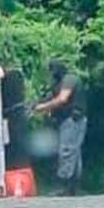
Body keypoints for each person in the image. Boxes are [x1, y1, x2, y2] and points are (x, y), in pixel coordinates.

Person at [34, 61, 87, 197]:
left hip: (73, 119)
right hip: (67, 120)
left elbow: (62, 99)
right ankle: (72, 186)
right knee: (73, 151)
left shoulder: (69, 79)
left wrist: (43, 107)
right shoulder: (59, 83)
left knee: (67, 150)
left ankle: (65, 184)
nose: (50, 75)